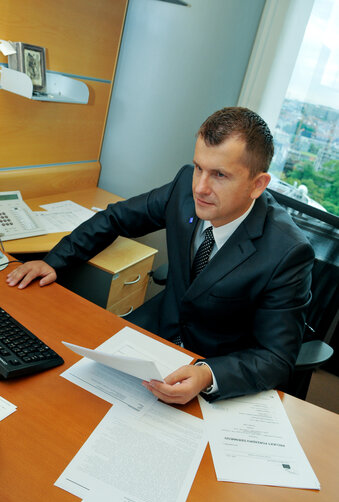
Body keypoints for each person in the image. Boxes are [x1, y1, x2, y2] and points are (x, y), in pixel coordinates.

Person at [7, 107, 314, 405]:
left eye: (220, 175)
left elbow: (276, 357)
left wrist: (207, 374)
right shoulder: (184, 185)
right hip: (161, 328)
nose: (200, 187)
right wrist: (54, 260)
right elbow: (116, 217)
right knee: (69, 389)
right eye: (198, 168)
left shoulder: (288, 252)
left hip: (216, 361)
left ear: (257, 184)